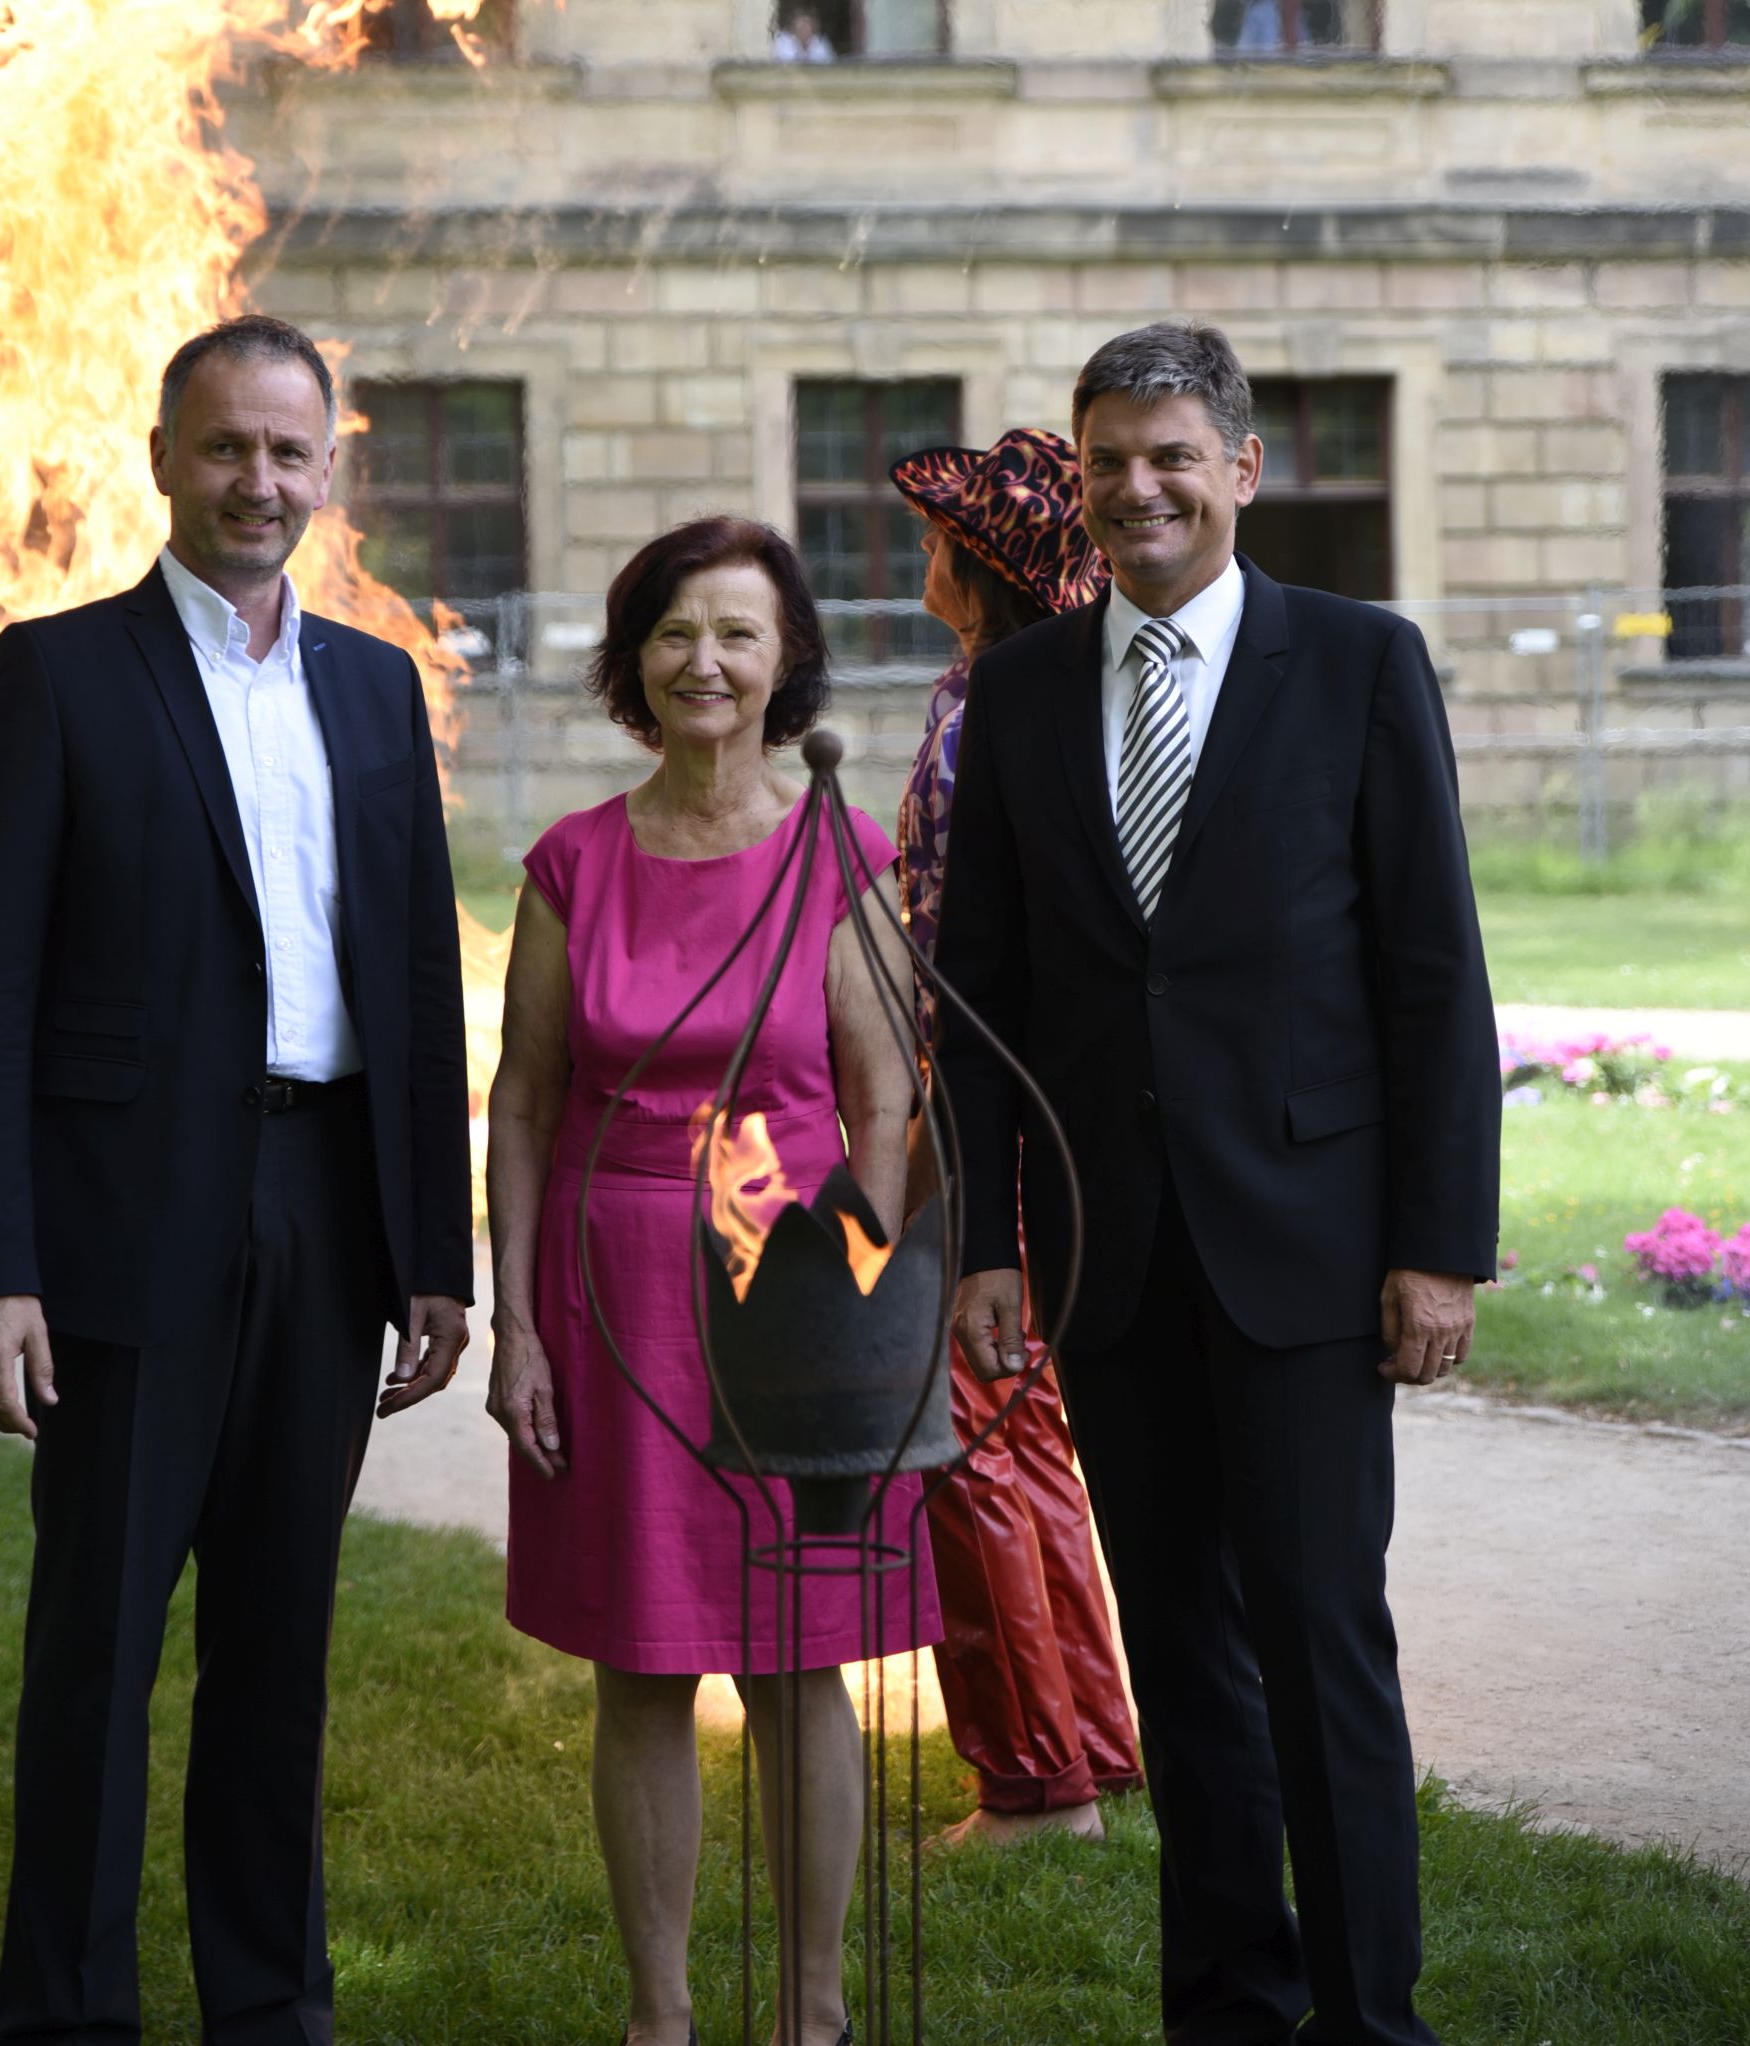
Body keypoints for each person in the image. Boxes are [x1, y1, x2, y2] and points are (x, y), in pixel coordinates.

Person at [936, 322, 1500, 2046]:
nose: (1139, 488)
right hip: (1113, 1262)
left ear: (1243, 468)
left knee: (1323, 1648)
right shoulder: (1022, 687)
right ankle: (1230, 2013)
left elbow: (1432, 976)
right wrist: (982, 1244)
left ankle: (1367, 2019)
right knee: (1182, 1661)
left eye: (1173, 455)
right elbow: (985, 998)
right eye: (1108, 459)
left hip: (1313, 1260)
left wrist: (1435, 1251)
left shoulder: (1360, 664)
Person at [0, 313, 474, 2045]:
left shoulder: (380, 687)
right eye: (226, 448)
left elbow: (409, 978)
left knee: (280, 1640)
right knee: (96, 1648)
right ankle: (70, 2012)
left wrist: (431, 1251)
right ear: (163, 460)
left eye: (289, 452)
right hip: (123, 1221)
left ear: (331, 467)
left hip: (324, 1209)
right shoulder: (58, 674)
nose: (259, 480)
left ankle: (268, 1999)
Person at [486, 517, 939, 2046]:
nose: (708, 661)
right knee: (641, 1661)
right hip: (614, 1285)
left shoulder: (840, 848)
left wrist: (857, 1298)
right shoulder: (575, 860)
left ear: (783, 662)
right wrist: (521, 1329)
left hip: (785, 1267)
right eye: (678, 631)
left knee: (800, 1661)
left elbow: (884, 1094)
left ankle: (811, 2016)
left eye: (739, 634)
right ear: (637, 657)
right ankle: (662, 2016)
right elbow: (526, 1101)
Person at [890, 426, 1143, 1846]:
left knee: (963, 1438)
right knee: (1023, 1429)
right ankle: (1094, 1746)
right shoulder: (1011, 690)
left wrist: (931, 1119)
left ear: (980, 565)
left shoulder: (998, 706)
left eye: (942, 536)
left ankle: (1037, 1783)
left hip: (989, 1104)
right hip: (1010, 1104)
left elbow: (978, 944)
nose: (922, 555)